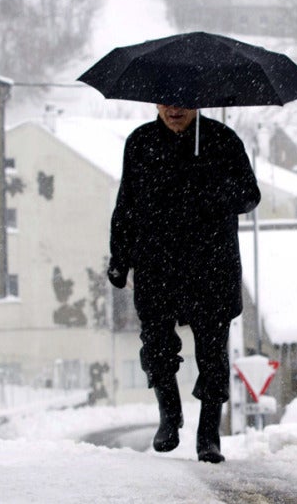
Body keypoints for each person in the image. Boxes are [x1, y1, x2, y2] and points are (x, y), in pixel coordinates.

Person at [107, 104, 260, 464]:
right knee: (156, 344)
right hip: (158, 264)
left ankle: (208, 434)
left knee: (212, 352)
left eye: (183, 102)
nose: (174, 109)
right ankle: (169, 415)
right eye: (166, 101)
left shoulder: (222, 141)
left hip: (211, 264)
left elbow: (249, 195)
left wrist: (210, 188)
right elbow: (126, 204)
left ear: (199, 102)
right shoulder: (141, 144)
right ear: (155, 104)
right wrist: (119, 257)